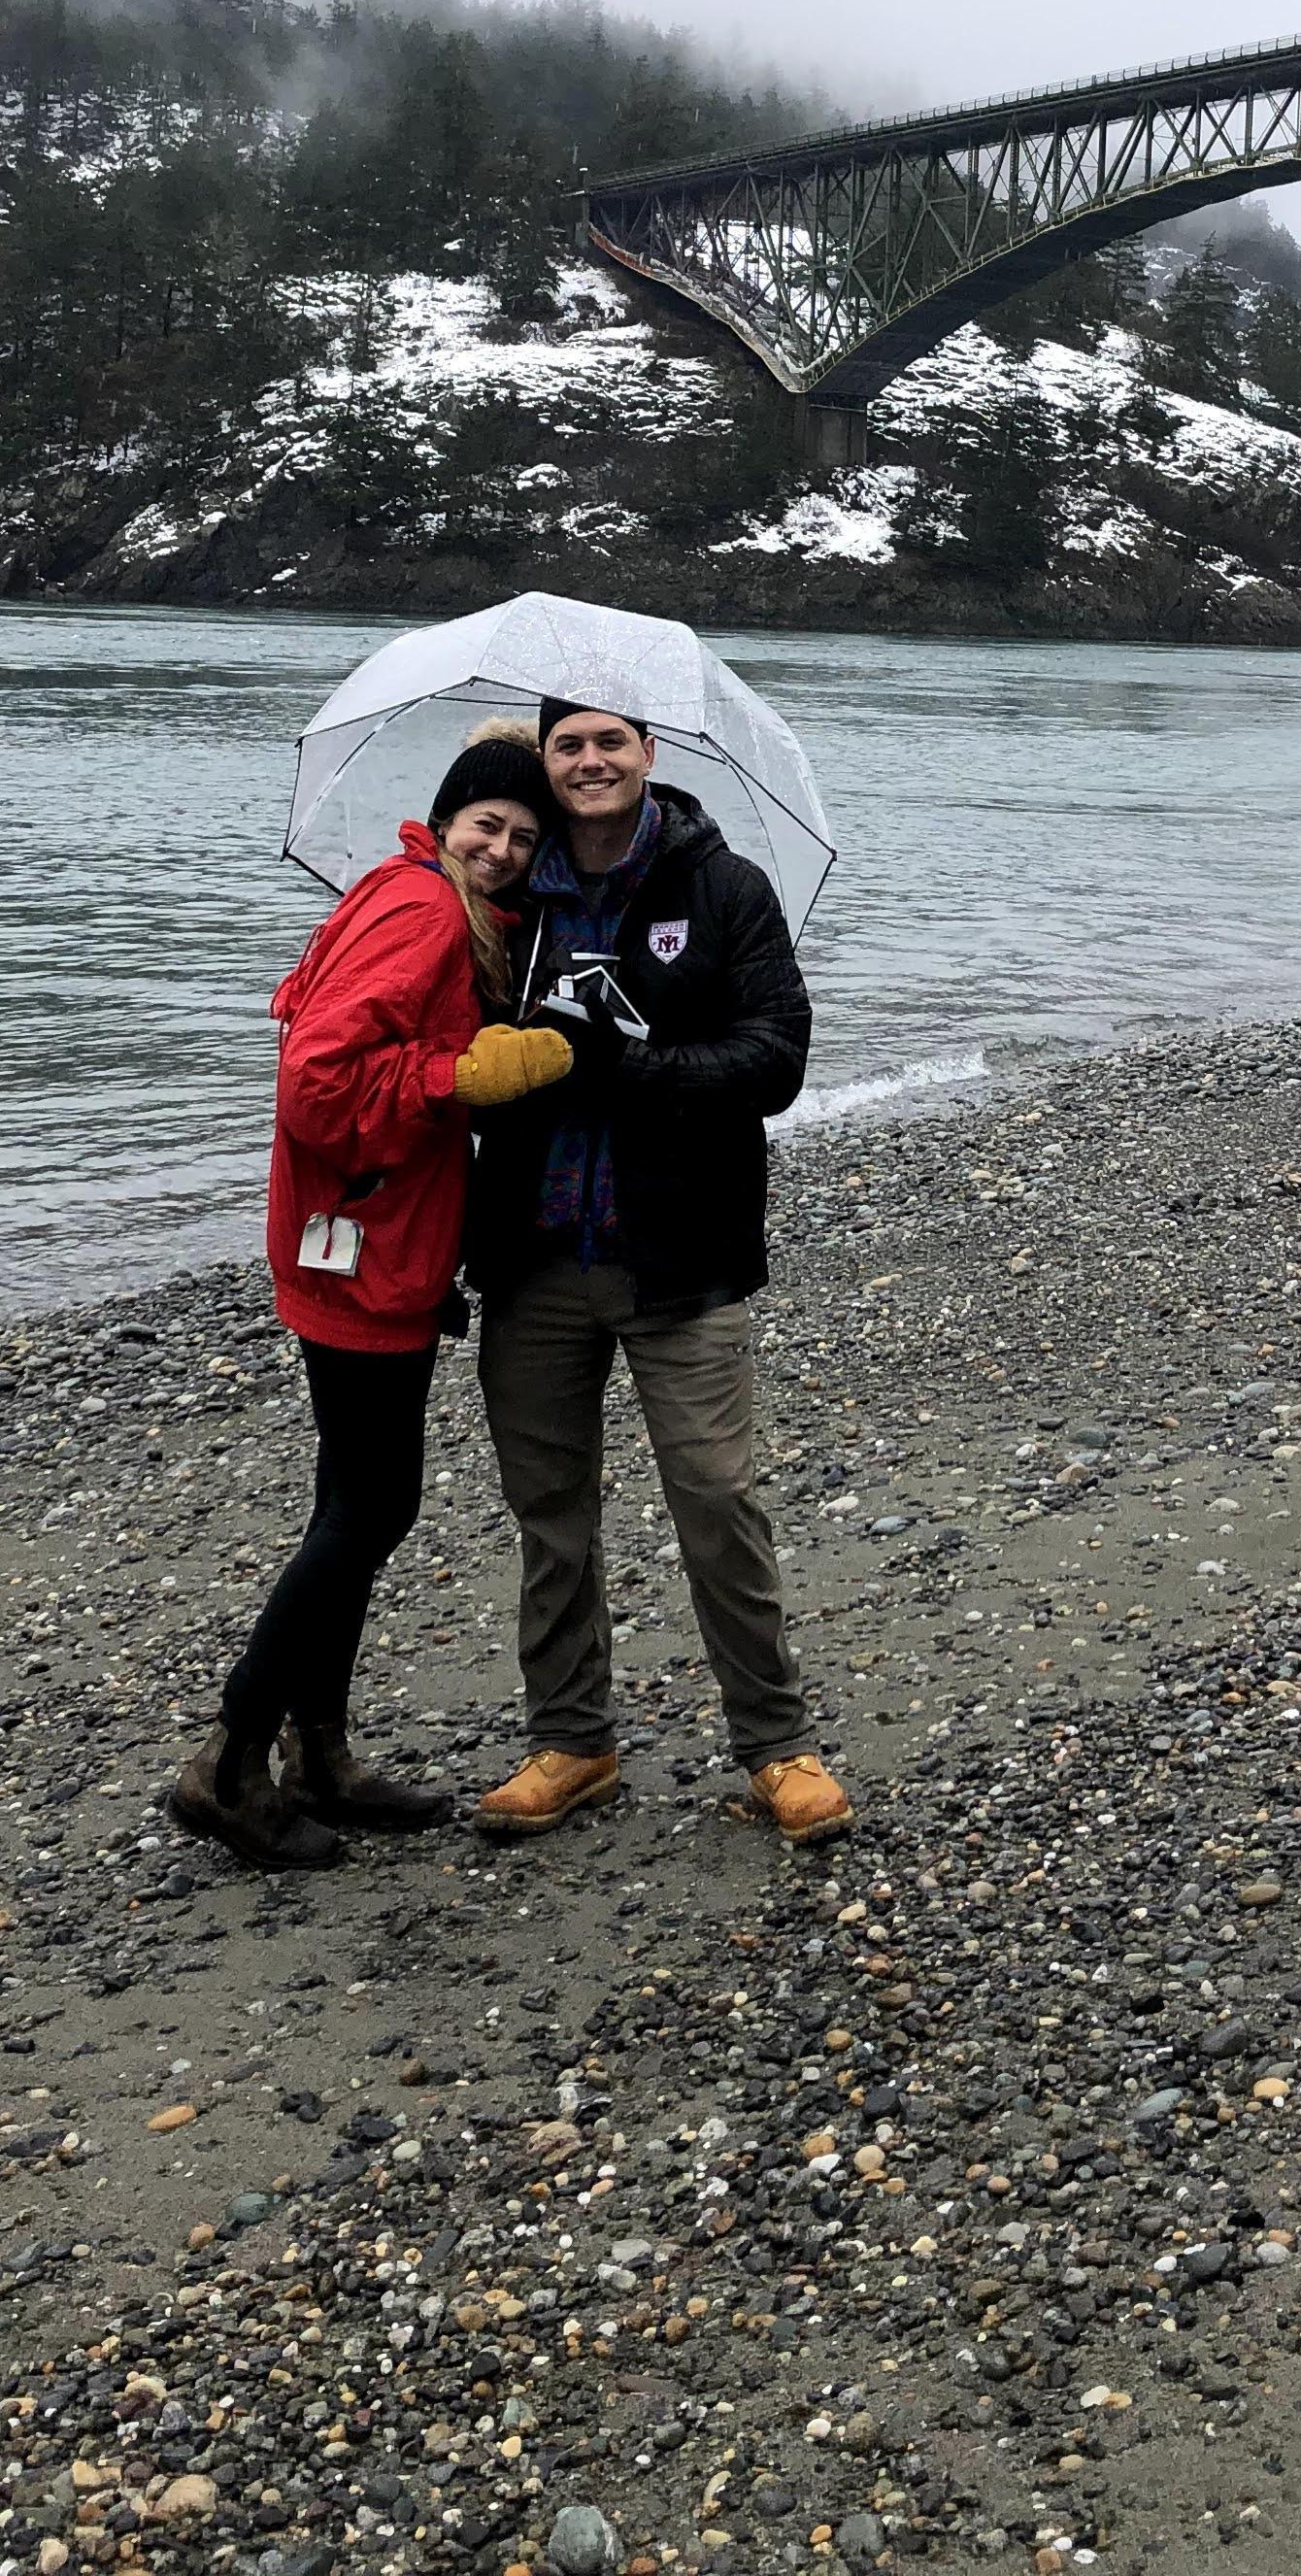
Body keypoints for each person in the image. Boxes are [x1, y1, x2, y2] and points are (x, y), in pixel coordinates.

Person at [168, 726, 580, 1869]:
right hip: (361, 1248)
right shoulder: (421, 910)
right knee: (372, 1509)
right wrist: (459, 1076)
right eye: (484, 826)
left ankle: (322, 1756)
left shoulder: (429, 901)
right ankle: (230, 1759)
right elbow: (317, 1080)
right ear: (444, 821)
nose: (500, 849)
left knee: (351, 1501)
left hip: (357, 1241)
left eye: (521, 836)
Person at [462, 695, 854, 1846]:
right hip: (534, 1257)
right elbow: (432, 1047)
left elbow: (776, 1058)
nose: (588, 763)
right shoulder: (504, 894)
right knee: (551, 1515)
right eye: (566, 746)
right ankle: (572, 1742)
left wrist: (631, 1065)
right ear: (542, 762)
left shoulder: (721, 887)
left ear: (648, 755)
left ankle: (776, 1748)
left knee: (718, 1502)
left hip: (681, 1257)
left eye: (609, 743)